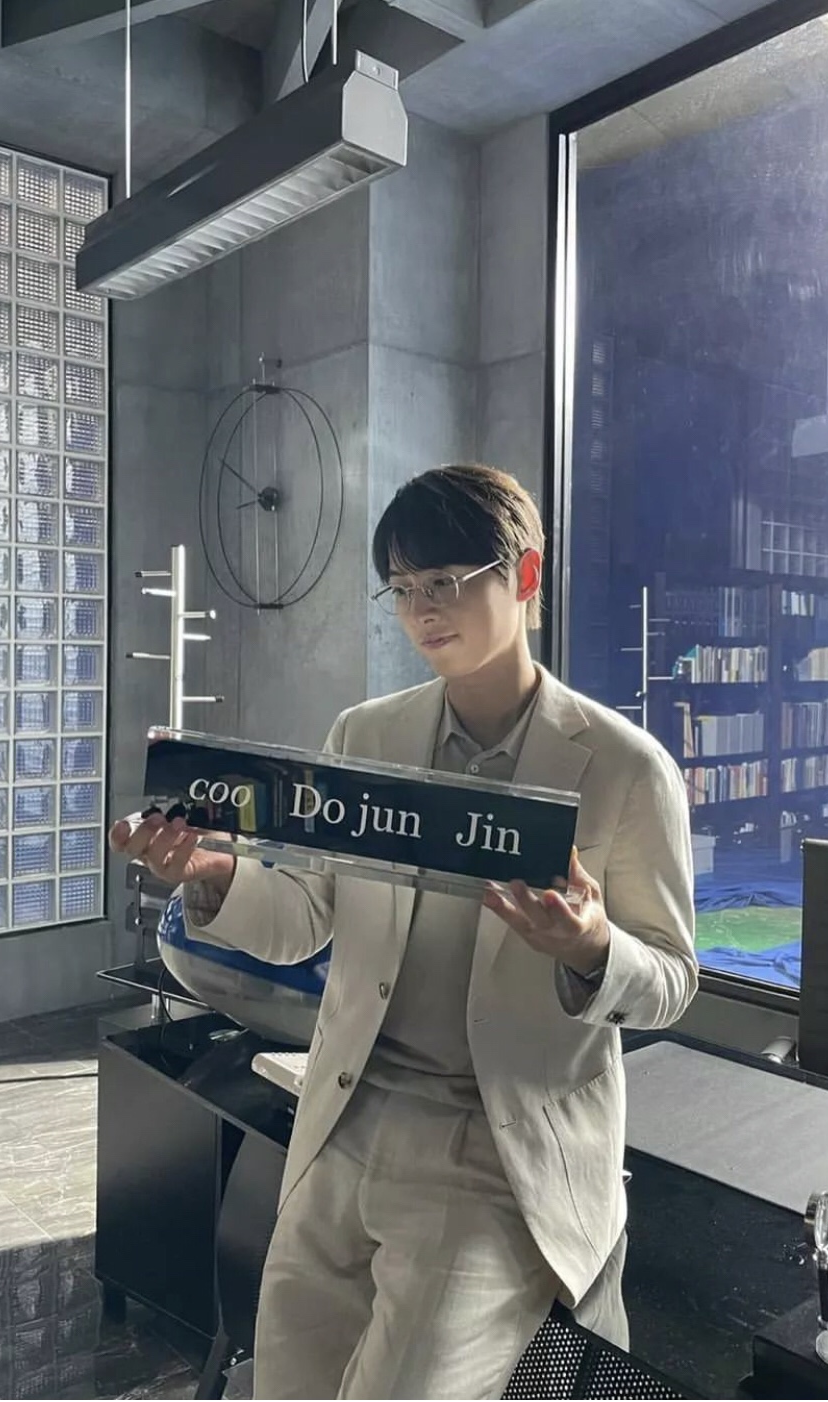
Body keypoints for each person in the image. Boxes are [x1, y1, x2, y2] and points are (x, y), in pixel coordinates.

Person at [109, 464, 697, 1400]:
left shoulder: (625, 769)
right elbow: (306, 917)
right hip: (346, 1114)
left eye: (447, 582)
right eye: (404, 587)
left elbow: (670, 979)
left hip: (495, 1150)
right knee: (288, 1384)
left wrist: (590, 949)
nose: (422, 610)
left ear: (525, 576)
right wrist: (214, 875)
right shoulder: (365, 738)